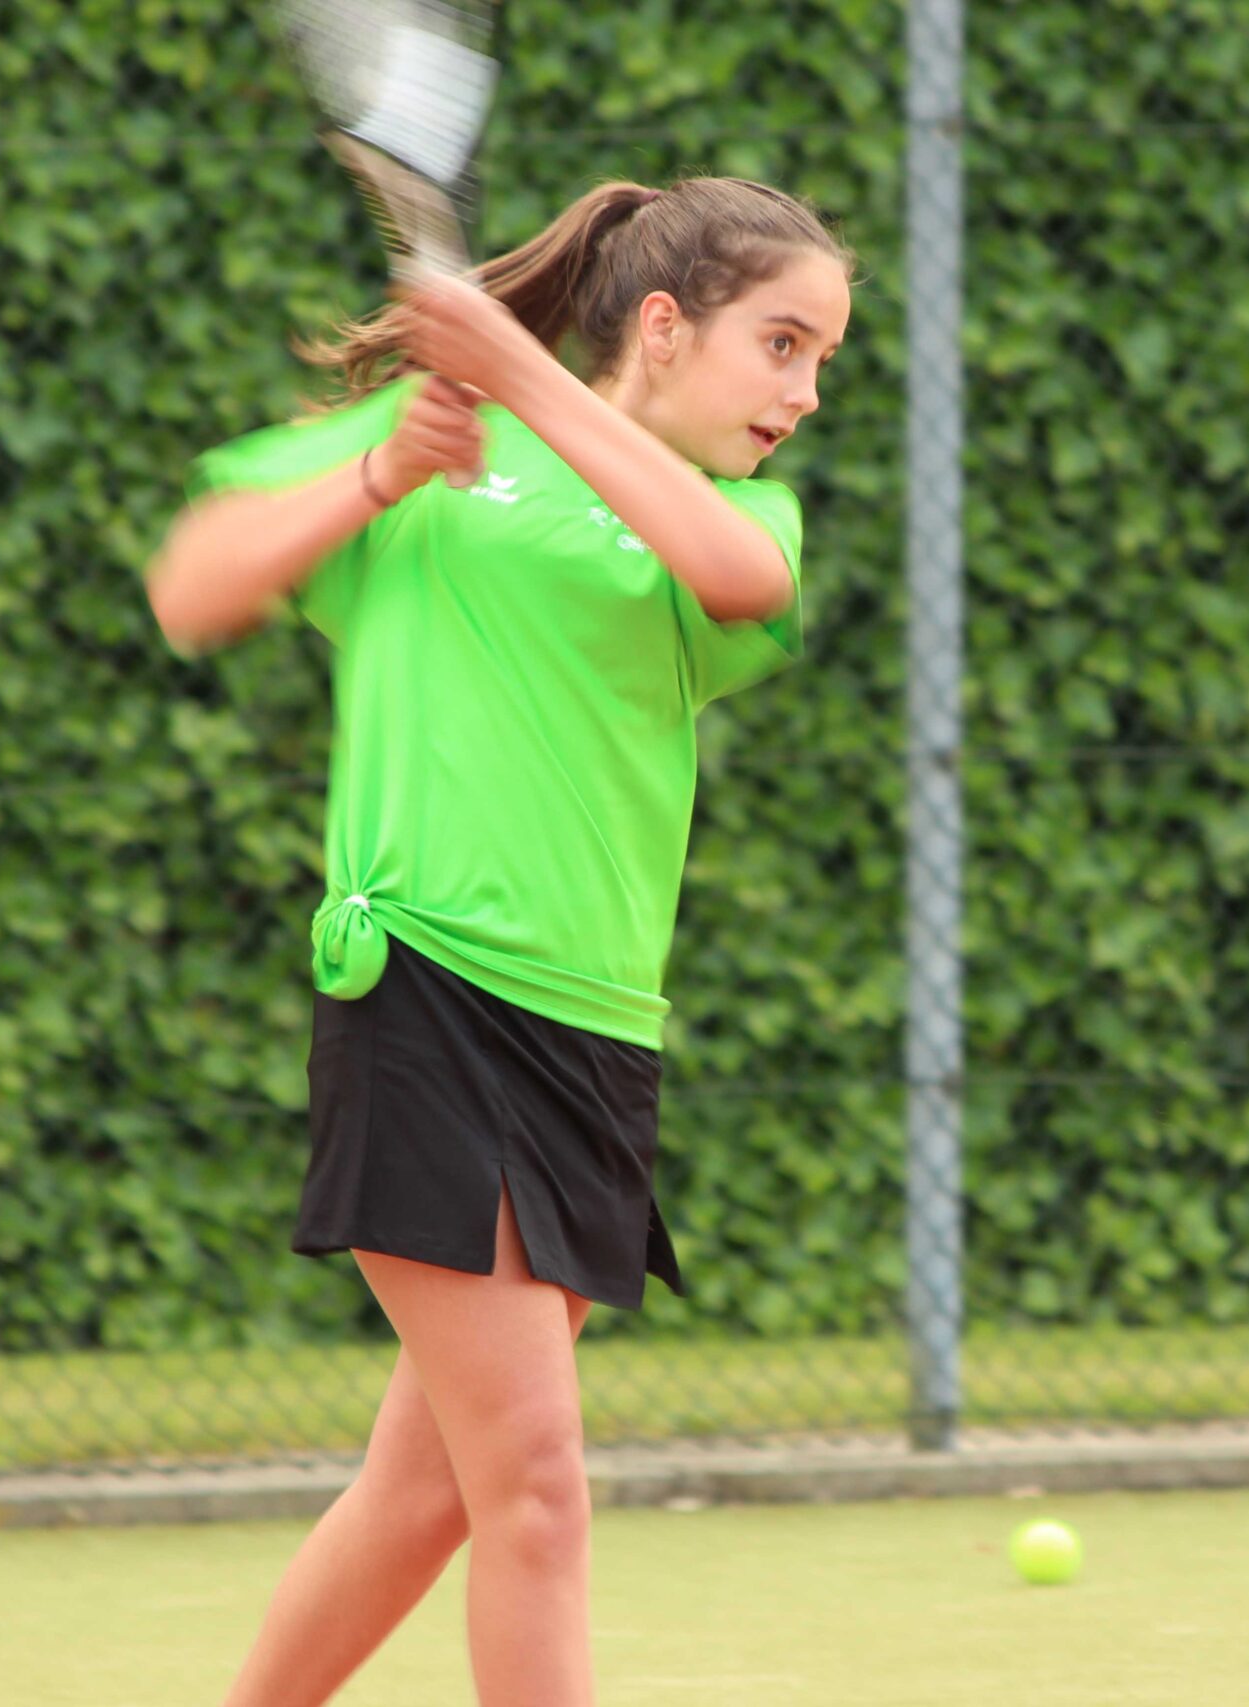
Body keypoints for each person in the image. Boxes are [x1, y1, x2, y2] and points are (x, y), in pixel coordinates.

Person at [144, 176, 854, 1706]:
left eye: (822, 361)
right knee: (535, 1488)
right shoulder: (438, 448)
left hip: (595, 1040)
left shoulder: (732, 514)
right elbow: (190, 588)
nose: (803, 394)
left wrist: (522, 376)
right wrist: (379, 472)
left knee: (430, 1495)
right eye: (782, 344)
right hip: (427, 998)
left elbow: (743, 581)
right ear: (662, 326)